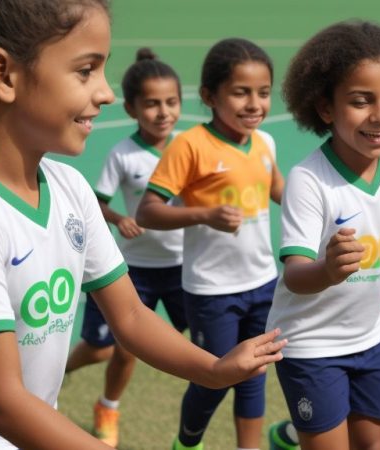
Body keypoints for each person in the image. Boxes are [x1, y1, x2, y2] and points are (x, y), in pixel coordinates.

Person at [0, 1, 286, 449]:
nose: (107, 94)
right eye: (85, 71)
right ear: (3, 75)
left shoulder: (69, 187)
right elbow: (2, 403)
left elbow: (132, 316)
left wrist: (213, 370)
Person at [266, 20, 380, 450]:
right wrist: (327, 269)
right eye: (362, 102)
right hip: (311, 344)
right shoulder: (309, 180)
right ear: (326, 108)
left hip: (373, 336)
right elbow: (295, 274)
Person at [135, 37, 284, 450]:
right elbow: (147, 212)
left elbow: (281, 192)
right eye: (241, 92)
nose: (254, 103)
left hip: (262, 281)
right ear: (209, 96)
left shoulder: (265, 143)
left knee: (255, 372)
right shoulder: (190, 145)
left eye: (264, 93)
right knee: (214, 374)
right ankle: (187, 441)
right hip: (211, 288)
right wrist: (205, 214)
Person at [62, 47, 188, 447]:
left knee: (197, 340)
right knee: (110, 349)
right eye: (151, 104)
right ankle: (100, 401)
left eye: (171, 102)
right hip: (133, 270)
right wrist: (121, 218)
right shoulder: (123, 154)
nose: (163, 112)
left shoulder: (189, 146)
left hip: (186, 267)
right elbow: (98, 203)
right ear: (132, 108)